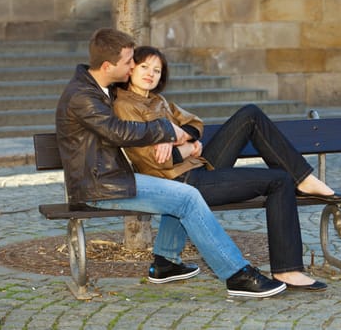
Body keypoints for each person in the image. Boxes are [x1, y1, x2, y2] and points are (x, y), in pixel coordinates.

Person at [55, 28, 287, 298]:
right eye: (129, 62)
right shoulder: (83, 96)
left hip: (112, 177)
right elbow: (118, 131)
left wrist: (175, 136)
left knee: (177, 194)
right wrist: (165, 130)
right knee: (188, 197)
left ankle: (165, 263)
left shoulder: (97, 88)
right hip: (101, 185)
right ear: (108, 66)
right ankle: (236, 274)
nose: (132, 67)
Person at [114, 46, 341, 291]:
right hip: (184, 182)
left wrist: (185, 137)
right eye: (144, 67)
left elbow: (194, 123)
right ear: (131, 69)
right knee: (279, 181)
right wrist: (188, 147)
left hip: (199, 167)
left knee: (250, 114)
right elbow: (158, 160)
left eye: (157, 70)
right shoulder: (125, 107)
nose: (150, 74)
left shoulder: (158, 100)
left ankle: (164, 263)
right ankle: (287, 270)